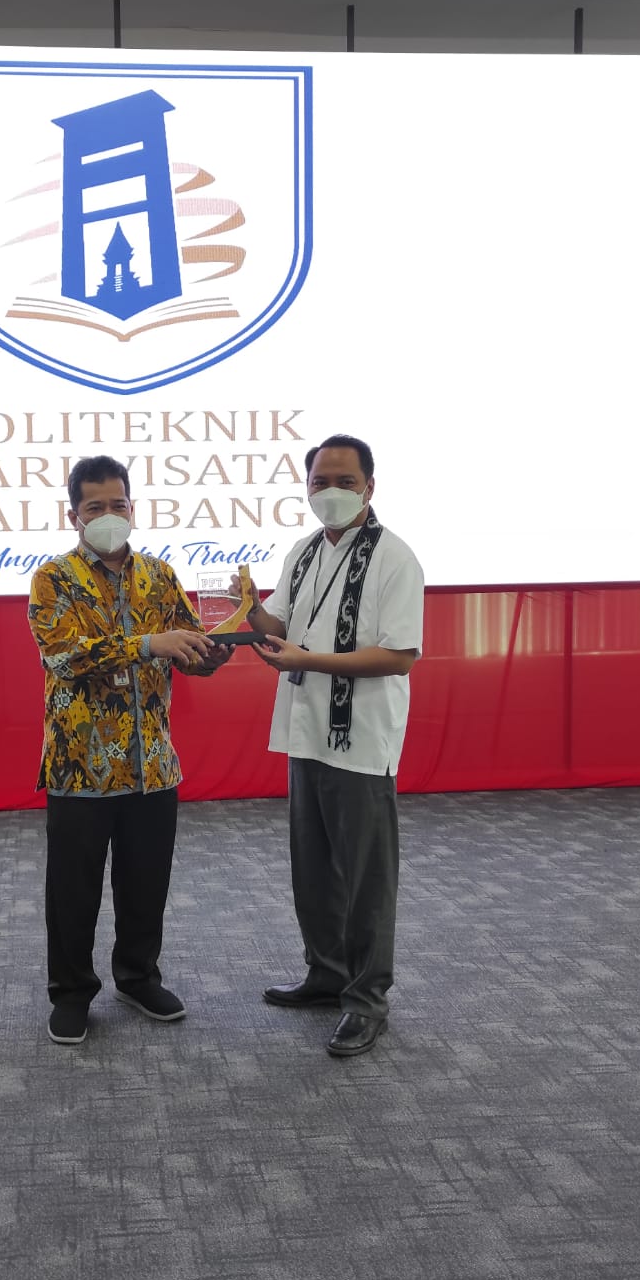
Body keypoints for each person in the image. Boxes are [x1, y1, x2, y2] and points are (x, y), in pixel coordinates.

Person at [28, 455, 229, 1046]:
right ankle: (71, 993)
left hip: (152, 765)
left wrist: (212, 653)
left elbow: (186, 648)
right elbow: (64, 656)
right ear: (73, 515)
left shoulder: (160, 576)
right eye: (95, 507)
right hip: (80, 765)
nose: (109, 515)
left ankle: (138, 978)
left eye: (118, 504)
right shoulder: (53, 579)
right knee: (73, 892)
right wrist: (148, 644)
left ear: (133, 508)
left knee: (146, 885)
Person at [244, 434, 424, 1059]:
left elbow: (399, 655)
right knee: (313, 867)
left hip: (361, 737)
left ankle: (366, 999)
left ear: (370, 487)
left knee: (366, 878)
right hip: (306, 730)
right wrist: (247, 610)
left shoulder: (395, 558)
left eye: (345, 481)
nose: (331, 492)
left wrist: (307, 660)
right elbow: (280, 623)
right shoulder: (303, 551)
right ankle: (326, 975)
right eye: (320, 481)